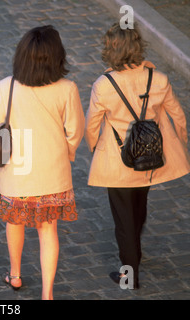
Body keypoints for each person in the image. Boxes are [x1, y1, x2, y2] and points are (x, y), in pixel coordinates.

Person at [0, 25, 85, 300]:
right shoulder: (68, 88)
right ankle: (47, 294)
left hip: (16, 171)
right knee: (48, 229)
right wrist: (65, 155)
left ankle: (15, 274)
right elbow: (75, 131)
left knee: (14, 222)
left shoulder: (5, 87)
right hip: (52, 173)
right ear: (57, 57)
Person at [85, 23, 190, 289]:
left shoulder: (104, 85)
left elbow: (92, 126)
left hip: (118, 161)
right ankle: (135, 253)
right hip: (149, 157)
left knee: (123, 219)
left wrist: (94, 147)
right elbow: (178, 114)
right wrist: (182, 140)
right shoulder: (159, 79)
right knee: (139, 206)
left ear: (111, 49)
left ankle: (129, 275)